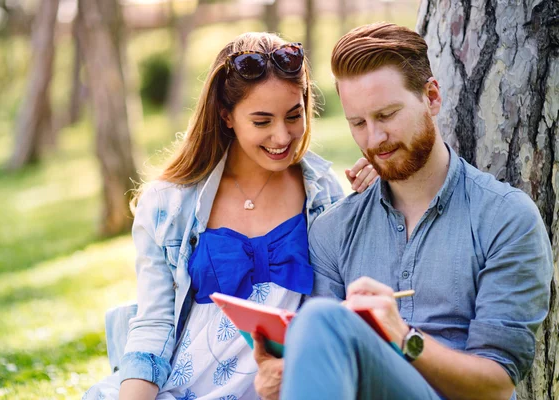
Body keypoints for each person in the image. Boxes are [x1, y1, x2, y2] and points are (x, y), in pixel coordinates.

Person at [252, 22, 553, 400]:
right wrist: (283, 374)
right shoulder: (334, 230)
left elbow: (496, 385)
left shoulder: (506, 219)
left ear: (431, 97)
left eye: (387, 115)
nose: (374, 139)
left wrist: (404, 336)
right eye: (358, 123)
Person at [83, 32, 377, 400]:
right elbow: (154, 323)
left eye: (293, 115)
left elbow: (343, 305)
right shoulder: (168, 205)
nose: (282, 136)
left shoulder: (324, 194)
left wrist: (380, 189)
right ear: (226, 116)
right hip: (181, 390)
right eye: (261, 121)